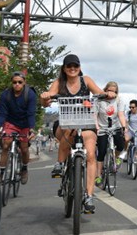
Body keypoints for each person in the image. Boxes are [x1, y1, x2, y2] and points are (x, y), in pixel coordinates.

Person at [40, 54, 114, 213]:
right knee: (67, 132)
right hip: (66, 123)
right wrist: (46, 97)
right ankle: (60, 164)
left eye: (76, 66)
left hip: (86, 122)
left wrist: (107, 94)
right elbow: (46, 99)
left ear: (79, 67)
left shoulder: (86, 80)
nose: (72, 69)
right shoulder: (59, 83)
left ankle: (88, 195)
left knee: (91, 155)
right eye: (69, 66)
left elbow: (100, 92)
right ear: (64, 69)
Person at [0, 71, 37, 184]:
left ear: (24, 83)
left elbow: (31, 113)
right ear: (11, 83)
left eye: (20, 82)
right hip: (11, 122)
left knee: (24, 148)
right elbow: (2, 113)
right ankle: (2, 173)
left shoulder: (30, 94)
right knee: (5, 144)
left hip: (25, 123)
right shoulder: (5, 95)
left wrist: (31, 129)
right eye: (14, 82)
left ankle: (24, 169)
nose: (17, 84)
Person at [95, 82, 127, 188]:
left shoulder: (119, 100)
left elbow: (121, 114)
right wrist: (97, 127)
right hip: (102, 128)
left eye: (114, 91)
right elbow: (94, 115)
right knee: (101, 152)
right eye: (109, 90)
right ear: (105, 90)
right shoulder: (99, 100)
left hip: (115, 127)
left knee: (121, 144)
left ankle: (117, 158)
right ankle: (98, 176)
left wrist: (124, 127)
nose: (111, 93)